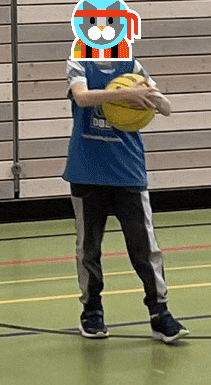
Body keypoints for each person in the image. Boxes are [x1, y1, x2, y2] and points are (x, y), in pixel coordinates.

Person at [63, 33, 180, 343]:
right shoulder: (79, 63)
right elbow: (81, 97)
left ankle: (160, 313)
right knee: (89, 248)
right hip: (87, 171)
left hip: (128, 171)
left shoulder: (133, 67)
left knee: (145, 248)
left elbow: (167, 108)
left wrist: (150, 97)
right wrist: (123, 94)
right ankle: (92, 311)